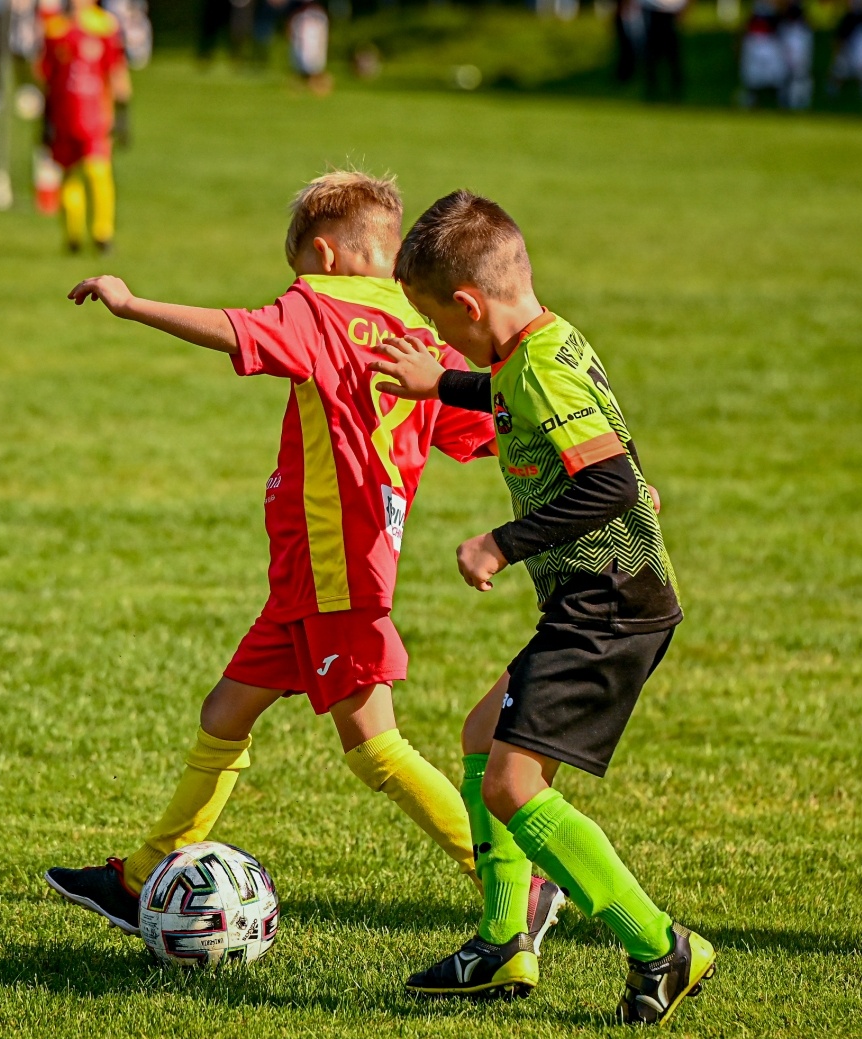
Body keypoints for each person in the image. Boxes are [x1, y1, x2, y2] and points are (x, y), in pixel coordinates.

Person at [46, 172, 567, 947]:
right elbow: (494, 425)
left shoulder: (321, 307)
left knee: (376, 749)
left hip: (336, 572)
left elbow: (238, 328)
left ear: (323, 254)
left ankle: (515, 884)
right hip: (310, 574)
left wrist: (132, 303)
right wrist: (605, 470)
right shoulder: (420, 333)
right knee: (225, 712)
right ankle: (142, 875)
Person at [369, 190, 713, 1023]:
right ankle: (502, 940)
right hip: (607, 595)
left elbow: (609, 481)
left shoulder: (538, 365)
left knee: (514, 786)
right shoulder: (543, 343)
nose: (448, 341)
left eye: (444, 327)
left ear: (470, 304)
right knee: (482, 738)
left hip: (608, 603)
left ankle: (660, 944)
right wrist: (440, 381)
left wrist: (501, 541)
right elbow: (533, 405)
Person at [36, 0, 132, 254]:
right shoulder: (55, 28)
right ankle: (73, 236)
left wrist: (123, 114)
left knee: (97, 172)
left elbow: (115, 69)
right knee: (70, 175)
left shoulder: (104, 26)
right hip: (63, 116)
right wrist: (45, 120)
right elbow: (47, 76)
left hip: (95, 116)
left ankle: (103, 234)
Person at [738, 0, 786, 109]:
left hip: (770, 39)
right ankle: (751, 100)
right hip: (754, 39)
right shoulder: (755, 8)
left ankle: (779, 101)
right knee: (752, 73)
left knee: (776, 73)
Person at [827, 0, 862, 99]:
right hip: (847, 50)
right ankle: (832, 94)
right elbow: (839, 37)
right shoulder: (848, 18)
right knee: (839, 69)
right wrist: (838, 49)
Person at [639, 0, 687, 100]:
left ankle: (676, 90)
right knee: (651, 55)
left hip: (671, 11)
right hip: (652, 10)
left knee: (672, 56)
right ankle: (652, 89)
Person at [778, 0, 814, 108]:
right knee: (786, 71)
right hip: (789, 33)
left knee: (800, 71)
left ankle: (800, 100)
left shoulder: (800, 9)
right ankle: (787, 99)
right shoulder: (786, 10)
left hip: (799, 34)